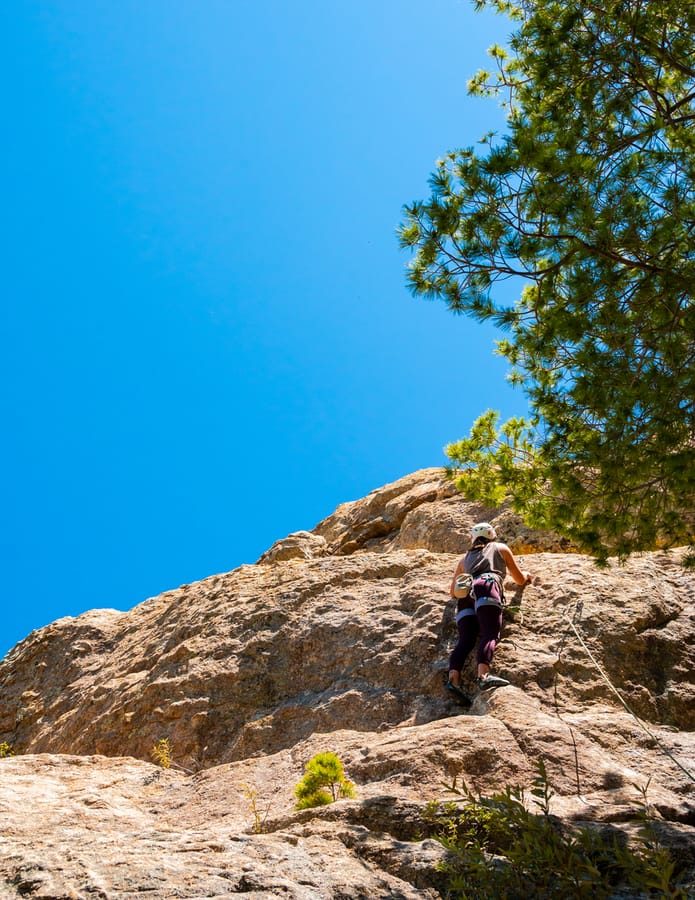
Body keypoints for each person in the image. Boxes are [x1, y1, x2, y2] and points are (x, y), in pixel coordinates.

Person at [445, 521, 532, 706]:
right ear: (491, 534)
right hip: (487, 587)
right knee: (490, 633)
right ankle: (483, 675)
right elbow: (518, 579)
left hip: (465, 597)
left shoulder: (464, 559)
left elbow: (452, 592)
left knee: (466, 640)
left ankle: (453, 679)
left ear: (473, 538)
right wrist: (526, 576)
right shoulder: (500, 548)